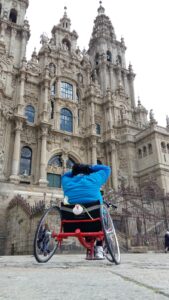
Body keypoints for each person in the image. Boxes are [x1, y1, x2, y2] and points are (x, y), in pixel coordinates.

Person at [61, 163, 111, 259]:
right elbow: (107, 168)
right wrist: (90, 168)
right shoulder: (94, 178)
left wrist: (75, 170)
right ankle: (99, 247)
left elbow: (65, 175)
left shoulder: (66, 181)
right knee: (99, 215)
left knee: (85, 217)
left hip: (71, 223)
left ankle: (89, 249)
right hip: (94, 220)